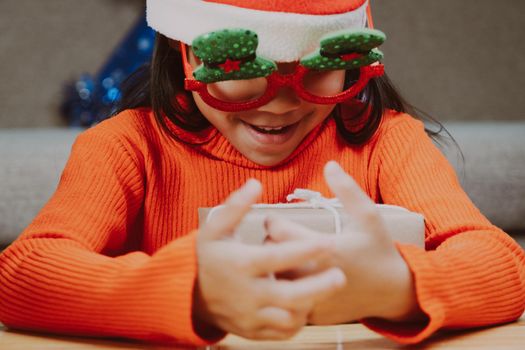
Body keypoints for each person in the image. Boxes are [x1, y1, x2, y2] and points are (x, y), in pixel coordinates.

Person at [0, 0, 524, 346]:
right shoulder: (125, 148)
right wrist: (194, 293)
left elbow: (504, 267)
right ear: (180, 56)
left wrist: (397, 287)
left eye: (316, 65)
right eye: (242, 69)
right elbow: (21, 277)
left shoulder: (389, 141)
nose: (280, 103)